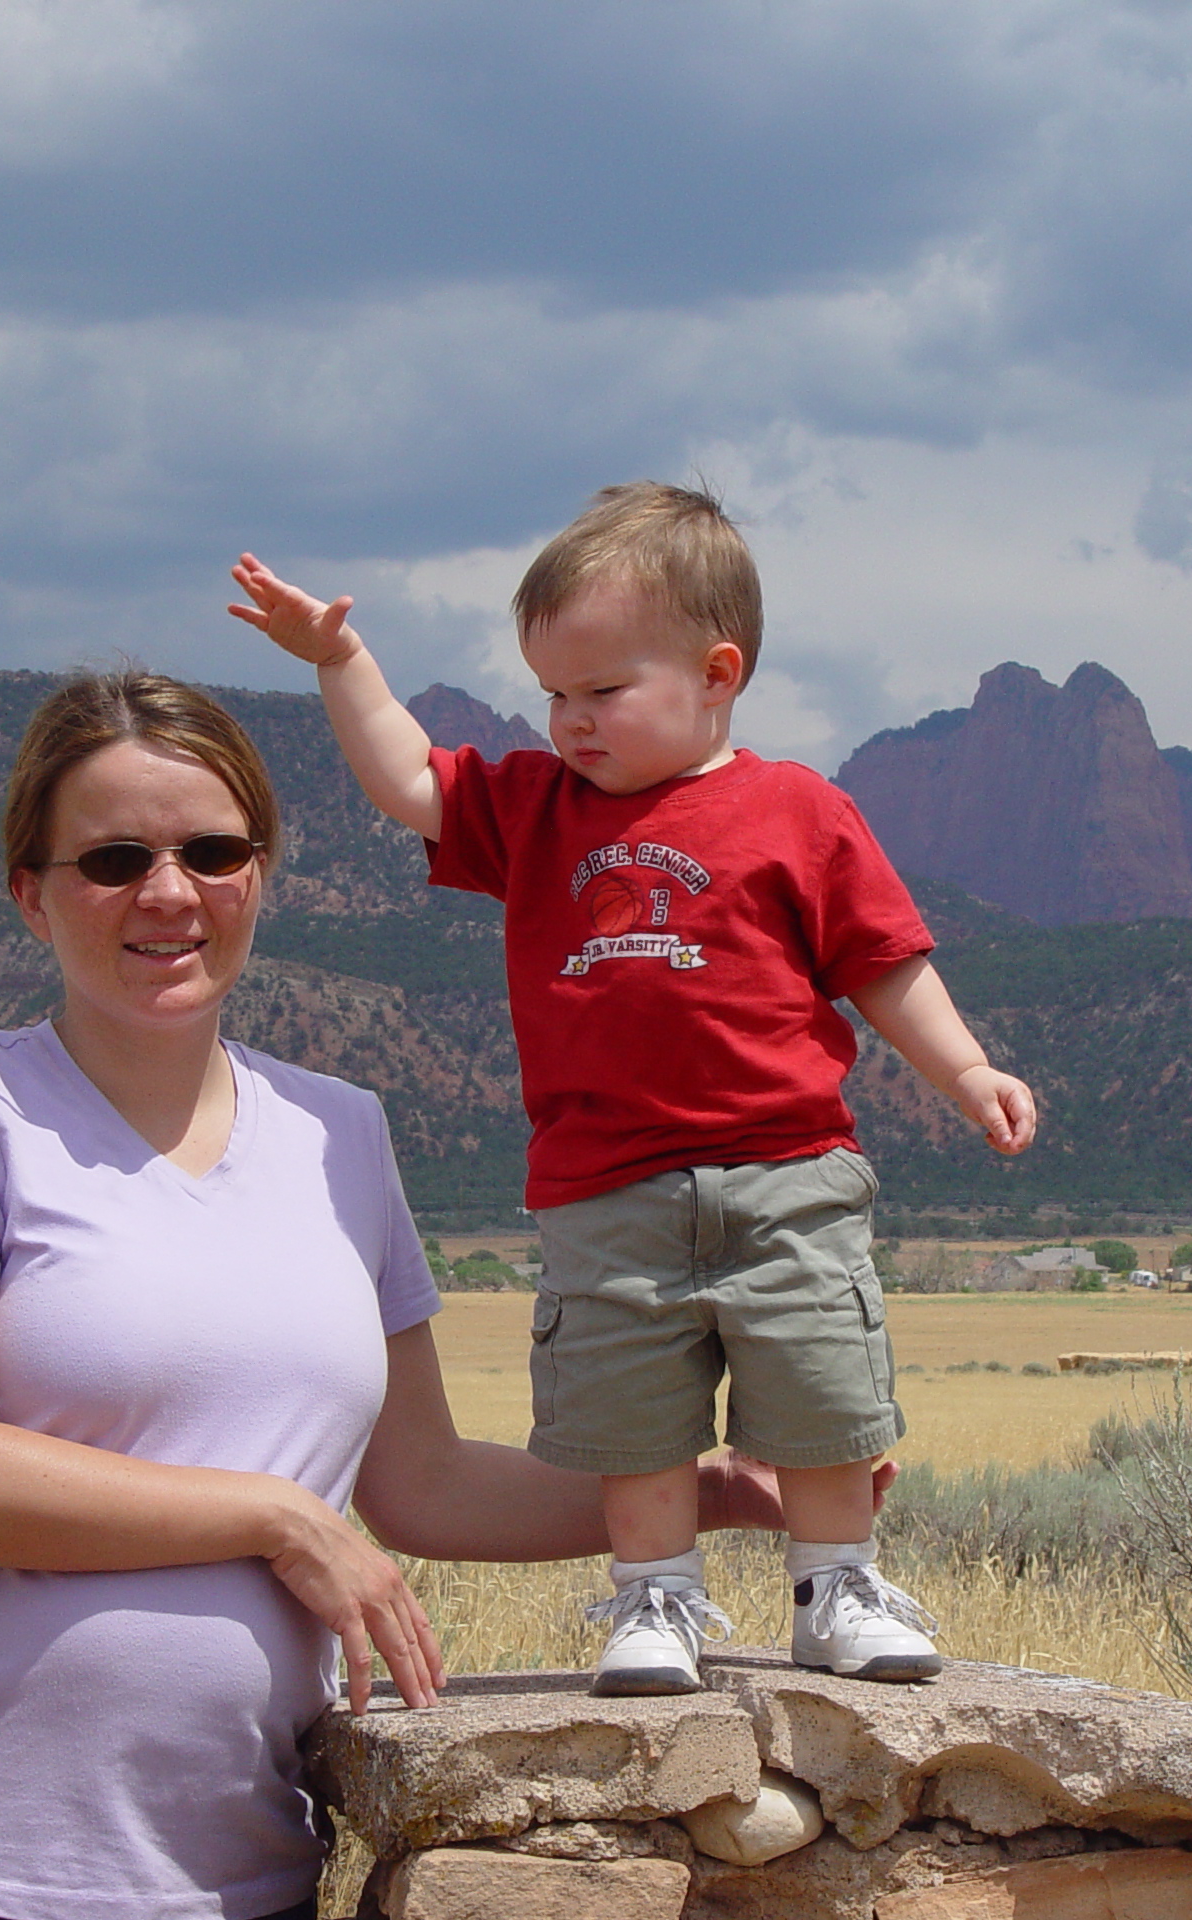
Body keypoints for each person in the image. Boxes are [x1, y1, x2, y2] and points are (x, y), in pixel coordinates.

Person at [0, 670, 789, 1920]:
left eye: (211, 851)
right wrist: (282, 1519)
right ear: (33, 896)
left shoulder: (342, 1133)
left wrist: (707, 1487)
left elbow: (421, 1482)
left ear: (260, 875)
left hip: (220, 1878)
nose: (168, 893)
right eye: (112, 858)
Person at [229, 482, 1037, 1700]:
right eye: (552, 694)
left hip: (789, 1171)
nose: (569, 722)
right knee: (634, 1412)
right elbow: (408, 781)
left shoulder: (798, 809)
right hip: (603, 1189)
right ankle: (654, 1599)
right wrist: (340, 656)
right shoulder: (535, 810)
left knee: (821, 1397)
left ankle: (837, 1587)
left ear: (718, 673)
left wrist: (967, 1070)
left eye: (602, 692)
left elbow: (882, 964)